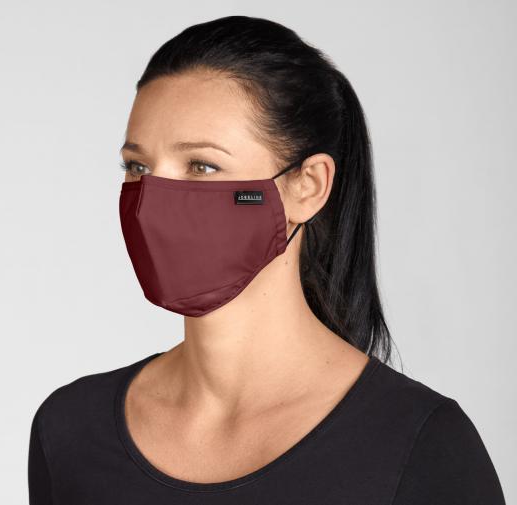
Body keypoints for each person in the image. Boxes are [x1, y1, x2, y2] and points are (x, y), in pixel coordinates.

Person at [28, 15, 506, 504]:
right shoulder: (71, 430)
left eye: (202, 165)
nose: (153, 200)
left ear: (308, 186)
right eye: (138, 166)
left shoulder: (420, 445)